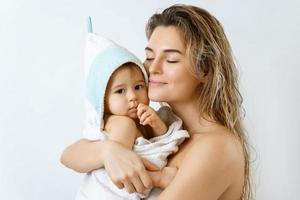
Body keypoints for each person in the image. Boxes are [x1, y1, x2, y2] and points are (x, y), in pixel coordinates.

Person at [61, 4, 252, 200]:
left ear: (204, 70)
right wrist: (108, 151)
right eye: (149, 56)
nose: (153, 68)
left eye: (170, 60)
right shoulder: (162, 129)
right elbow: (68, 155)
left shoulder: (217, 146)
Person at [72, 19, 189, 199]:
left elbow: (158, 140)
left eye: (138, 86)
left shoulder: (140, 119)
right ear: (103, 99)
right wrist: (159, 178)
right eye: (120, 91)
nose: (132, 96)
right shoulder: (121, 124)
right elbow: (122, 167)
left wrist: (157, 125)